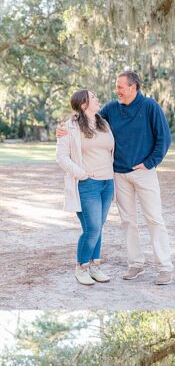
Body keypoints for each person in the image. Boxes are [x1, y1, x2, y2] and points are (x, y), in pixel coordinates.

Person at [57, 71, 173, 285]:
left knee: (154, 219)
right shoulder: (111, 109)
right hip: (118, 175)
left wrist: (149, 163)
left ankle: (164, 267)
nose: (116, 90)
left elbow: (164, 138)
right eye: (116, 86)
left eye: (120, 87)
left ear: (133, 87)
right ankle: (135, 264)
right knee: (128, 221)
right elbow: (85, 119)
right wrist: (62, 127)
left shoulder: (150, 107)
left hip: (144, 173)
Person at [56, 88, 114, 286]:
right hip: (87, 184)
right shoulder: (69, 127)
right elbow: (61, 157)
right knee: (92, 228)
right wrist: (81, 174)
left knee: (99, 226)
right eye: (93, 97)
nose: (98, 99)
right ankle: (81, 267)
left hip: (107, 184)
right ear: (83, 104)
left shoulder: (103, 123)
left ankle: (94, 266)